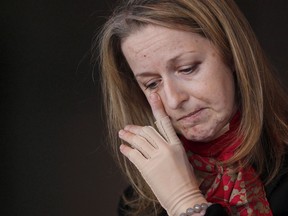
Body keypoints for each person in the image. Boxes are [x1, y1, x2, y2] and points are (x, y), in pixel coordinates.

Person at [95, 0, 288, 215]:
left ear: (231, 53)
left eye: (187, 69)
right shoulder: (135, 207)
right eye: (151, 83)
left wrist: (185, 203)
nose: (173, 100)